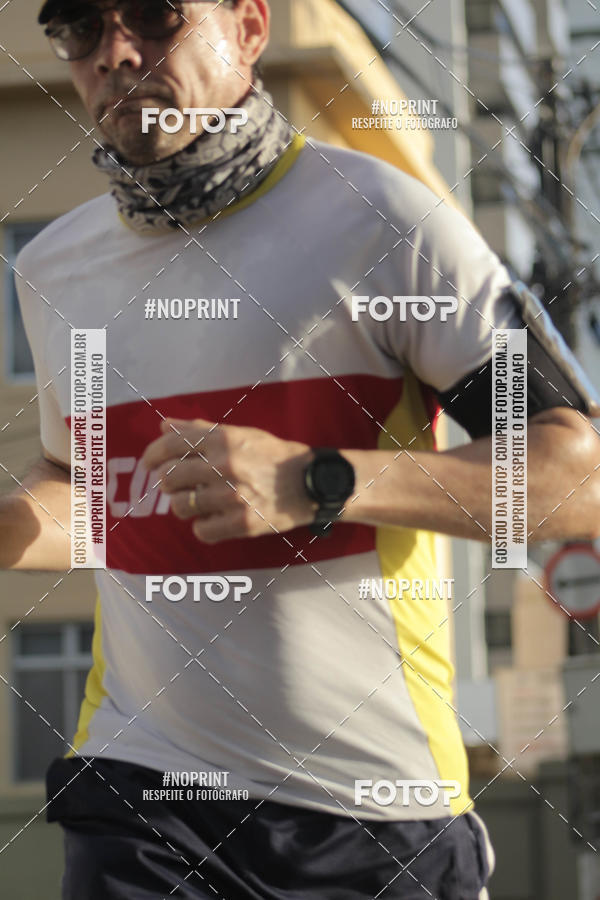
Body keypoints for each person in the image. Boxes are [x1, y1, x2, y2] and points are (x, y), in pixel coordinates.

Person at [4, 0, 600, 897]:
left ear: (250, 27)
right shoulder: (52, 271)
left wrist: (319, 481)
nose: (117, 53)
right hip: (144, 789)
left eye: (156, 16)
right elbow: (90, 495)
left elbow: (577, 477)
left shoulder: (385, 223)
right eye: (81, 28)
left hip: (373, 811)